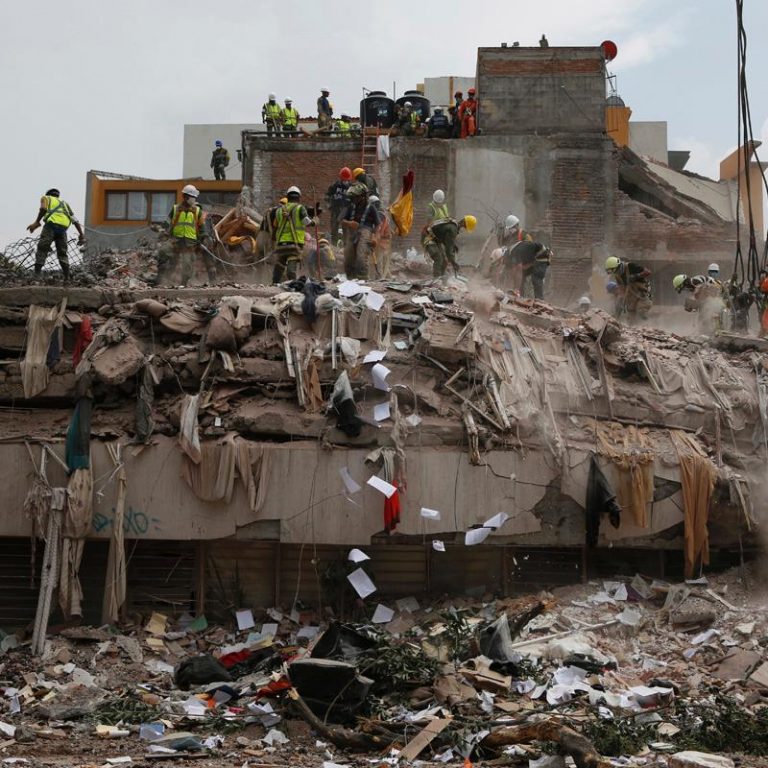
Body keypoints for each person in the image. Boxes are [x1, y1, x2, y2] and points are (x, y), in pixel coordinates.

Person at [159, 184, 214, 286]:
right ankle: (161, 279)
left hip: (189, 243)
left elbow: (202, 226)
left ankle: (183, 283)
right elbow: (167, 222)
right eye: (193, 197)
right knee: (163, 252)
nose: (194, 199)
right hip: (175, 240)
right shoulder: (175, 208)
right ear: (186, 197)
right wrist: (163, 230)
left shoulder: (197, 211)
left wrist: (205, 237)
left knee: (187, 263)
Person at [27, 188, 85, 281]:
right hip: (62, 230)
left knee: (42, 248)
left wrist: (37, 222)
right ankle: (67, 278)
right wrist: (81, 234)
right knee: (62, 253)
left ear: (48, 194)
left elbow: (43, 209)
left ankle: (36, 276)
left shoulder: (46, 198)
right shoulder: (64, 203)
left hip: (50, 227)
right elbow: (75, 220)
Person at [272, 186, 313, 283]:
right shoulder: (300, 208)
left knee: (280, 264)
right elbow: (306, 222)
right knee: (291, 267)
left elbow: (275, 225)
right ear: (299, 197)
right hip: (294, 243)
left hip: (281, 244)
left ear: (287, 197)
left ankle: (274, 284)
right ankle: (293, 284)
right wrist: (314, 221)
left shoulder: (279, 210)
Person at [605, 256, 652, 323]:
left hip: (641, 293)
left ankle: (647, 325)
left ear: (616, 267)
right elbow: (621, 289)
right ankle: (635, 328)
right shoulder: (617, 276)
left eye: (612, 270)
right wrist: (620, 303)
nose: (613, 273)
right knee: (631, 318)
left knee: (641, 311)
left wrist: (636, 276)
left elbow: (647, 272)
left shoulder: (630, 266)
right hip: (631, 295)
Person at [341, 182, 370, 279]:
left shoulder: (371, 208)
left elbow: (377, 224)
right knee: (348, 256)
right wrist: (349, 223)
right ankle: (350, 278)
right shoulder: (350, 207)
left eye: (356, 197)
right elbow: (341, 220)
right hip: (352, 233)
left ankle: (363, 277)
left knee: (361, 256)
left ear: (363, 197)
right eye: (353, 198)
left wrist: (375, 237)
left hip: (365, 233)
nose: (354, 200)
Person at [326, 167, 352, 245]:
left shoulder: (351, 187)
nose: (345, 181)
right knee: (334, 228)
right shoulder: (335, 185)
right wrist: (329, 205)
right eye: (343, 179)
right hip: (335, 209)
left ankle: (346, 246)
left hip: (346, 211)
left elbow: (354, 200)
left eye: (346, 180)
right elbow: (327, 195)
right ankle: (334, 244)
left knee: (346, 229)